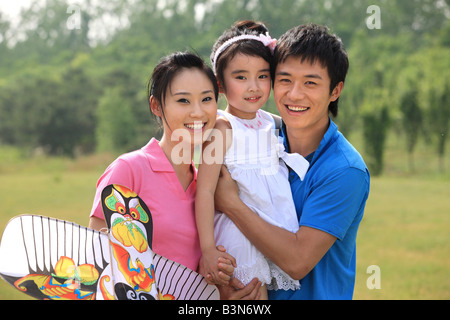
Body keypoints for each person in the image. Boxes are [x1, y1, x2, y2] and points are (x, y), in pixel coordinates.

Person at [213, 24, 370, 300]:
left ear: (335, 90)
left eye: (310, 82)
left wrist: (231, 203)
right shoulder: (261, 141)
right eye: (284, 80)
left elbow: (298, 261)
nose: (294, 94)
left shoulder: (344, 170)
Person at [88, 52, 235, 284]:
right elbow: (93, 259)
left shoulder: (205, 186)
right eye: (183, 100)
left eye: (206, 99)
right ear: (156, 106)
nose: (197, 112)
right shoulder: (129, 170)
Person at [195, 21, 309, 300]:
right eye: (241, 77)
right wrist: (208, 249)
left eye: (263, 76)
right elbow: (206, 191)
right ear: (220, 84)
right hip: (238, 237)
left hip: (271, 232)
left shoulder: (271, 122)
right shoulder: (222, 129)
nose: (254, 87)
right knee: (244, 295)